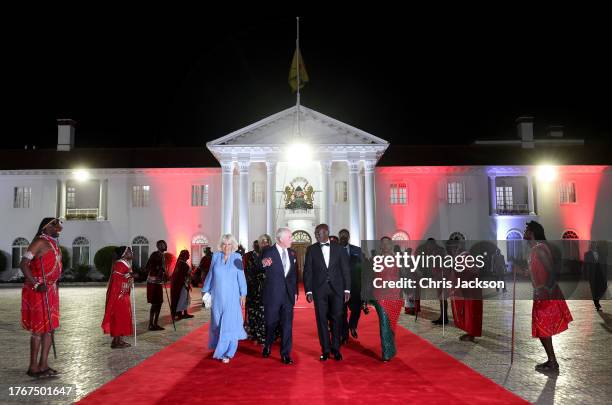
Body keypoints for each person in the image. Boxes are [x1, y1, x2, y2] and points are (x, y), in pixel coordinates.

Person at [523, 220, 573, 373]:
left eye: (526, 230)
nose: (524, 232)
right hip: (540, 293)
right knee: (541, 329)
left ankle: (552, 361)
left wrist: (547, 290)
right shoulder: (534, 250)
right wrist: (522, 272)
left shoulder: (539, 249)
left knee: (542, 328)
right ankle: (551, 360)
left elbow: (551, 270)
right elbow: (536, 272)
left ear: (531, 232)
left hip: (545, 294)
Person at [20, 217, 63, 378]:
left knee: (50, 328)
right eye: (55, 225)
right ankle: (33, 367)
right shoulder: (39, 242)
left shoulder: (53, 244)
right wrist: (37, 284)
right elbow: (23, 264)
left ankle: (43, 365)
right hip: (38, 290)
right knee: (38, 330)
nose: (59, 228)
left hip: (51, 290)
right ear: (46, 227)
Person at [304, 223, 350, 361]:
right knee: (321, 320)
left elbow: (345, 270)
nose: (316, 235)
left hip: (337, 290)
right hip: (319, 290)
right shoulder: (311, 249)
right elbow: (308, 271)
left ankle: (336, 349)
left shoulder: (339, 249)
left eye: (319, 233)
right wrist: (308, 291)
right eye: (315, 233)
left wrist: (347, 289)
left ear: (327, 232)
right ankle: (325, 349)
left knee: (337, 319)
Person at [202, 234, 247, 363]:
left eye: (229, 244)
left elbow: (241, 276)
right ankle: (219, 346)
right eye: (224, 244)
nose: (227, 247)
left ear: (233, 245)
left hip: (232, 297)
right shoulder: (216, 257)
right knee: (217, 324)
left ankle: (228, 352)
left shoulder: (237, 258)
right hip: (217, 297)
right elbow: (211, 274)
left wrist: (243, 294)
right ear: (221, 245)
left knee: (230, 324)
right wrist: (205, 291)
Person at [261, 228, 298, 365]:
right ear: (281, 238)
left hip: (288, 296)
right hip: (273, 295)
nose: (292, 239)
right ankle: (268, 345)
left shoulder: (292, 253)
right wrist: (263, 264)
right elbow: (260, 266)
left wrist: (294, 292)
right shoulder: (268, 251)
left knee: (287, 325)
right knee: (271, 323)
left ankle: (285, 354)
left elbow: (293, 275)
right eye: (290, 237)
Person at [371, 236, 404, 361]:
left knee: (391, 324)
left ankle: (391, 349)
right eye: (382, 244)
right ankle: (386, 353)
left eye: (387, 243)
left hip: (395, 295)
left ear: (391, 245)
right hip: (381, 295)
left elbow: (404, 276)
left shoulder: (398, 259)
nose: (385, 246)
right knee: (384, 323)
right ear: (380, 246)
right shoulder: (376, 260)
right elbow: (371, 278)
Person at [448, 240, 483, 342]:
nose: (454, 250)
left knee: (471, 312)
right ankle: (469, 332)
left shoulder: (465, 257)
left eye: (455, 248)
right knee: (469, 312)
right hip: (470, 290)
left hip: (471, 291)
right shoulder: (464, 257)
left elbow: (466, 272)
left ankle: (471, 334)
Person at [101, 246, 134, 348]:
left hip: (123, 295)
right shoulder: (120, 263)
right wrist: (129, 276)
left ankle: (117, 340)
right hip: (119, 296)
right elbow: (117, 278)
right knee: (119, 317)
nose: (131, 253)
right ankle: (117, 341)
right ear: (124, 254)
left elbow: (125, 276)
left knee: (122, 317)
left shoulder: (125, 263)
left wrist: (129, 276)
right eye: (129, 251)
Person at [338, 229, 364, 343]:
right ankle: (344, 335)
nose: (343, 237)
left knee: (357, 309)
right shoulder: (334, 250)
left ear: (349, 237)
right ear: (339, 237)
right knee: (342, 313)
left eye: (345, 235)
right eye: (341, 235)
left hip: (355, 287)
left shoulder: (357, 250)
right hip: (340, 288)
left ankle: (352, 326)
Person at [244, 235, 270, 344]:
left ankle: (264, 335)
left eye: (266, 242)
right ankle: (253, 333)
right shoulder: (248, 256)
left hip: (266, 289)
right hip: (252, 289)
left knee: (264, 313)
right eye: (261, 242)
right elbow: (246, 271)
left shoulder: (270, 254)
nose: (262, 244)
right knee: (252, 312)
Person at [145, 240, 168, 331]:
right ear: (158, 246)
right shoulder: (155, 254)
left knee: (159, 302)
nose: (165, 245)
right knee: (155, 303)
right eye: (162, 244)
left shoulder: (163, 256)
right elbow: (148, 266)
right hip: (153, 282)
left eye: (165, 244)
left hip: (159, 282)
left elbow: (163, 269)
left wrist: (164, 274)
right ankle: (151, 324)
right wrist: (158, 269)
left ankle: (155, 323)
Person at [583, 241, 607, 311]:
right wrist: (585, 275)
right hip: (592, 274)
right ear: (591, 245)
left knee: (604, 286)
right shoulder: (587, 254)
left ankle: (597, 298)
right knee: (594, 289)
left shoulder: (601, 253)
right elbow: (585, 265)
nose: (594, 245)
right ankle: (596, 303)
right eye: (593, 244)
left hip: (600, 274)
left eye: (595, 243)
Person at [171, 250, 194, 320]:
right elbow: (181, 276)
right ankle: (179, 314)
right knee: (182, 299)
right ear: (184, 256)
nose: (189, 256)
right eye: (188, 254)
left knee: (185, 299)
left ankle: (185, 313)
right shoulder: (181, 264)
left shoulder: (183, 263)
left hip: (184, 283)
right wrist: (185, 284)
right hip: (182, 284)